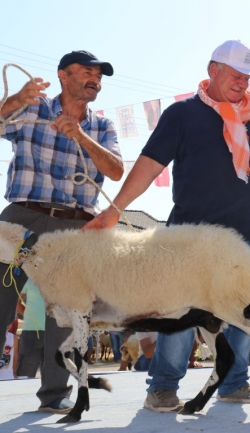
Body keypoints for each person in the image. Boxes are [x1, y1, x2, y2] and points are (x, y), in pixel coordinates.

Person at [83, 40, 250, 412]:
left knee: (244, 312)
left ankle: (234, 383)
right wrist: (116, 209)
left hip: (246, 236)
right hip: (189, 242)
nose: (242, 83)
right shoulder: (182, 114)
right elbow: (150, 163)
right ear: (213, 70)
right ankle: (162, 387)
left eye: (247, 77)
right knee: (179, 314)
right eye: (235, 75)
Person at [0, 50, 122, 412]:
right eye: (86, 72)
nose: (94, 79)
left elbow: (116, 171)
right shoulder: (33, 107)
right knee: (1, 299)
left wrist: (81, 136)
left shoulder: (102, 126)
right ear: (63, 76)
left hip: (75, 228)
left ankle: (54, 396)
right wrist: (14, 100)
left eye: (98, 75)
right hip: (24, 220)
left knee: (66, 313)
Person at [15, 279, 46, 377]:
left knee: (53, 377)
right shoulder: (28, 279)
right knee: (25, 375)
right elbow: (16, 302)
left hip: (55, 332)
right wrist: (28, 315)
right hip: (31, 331)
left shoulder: (59, 278)